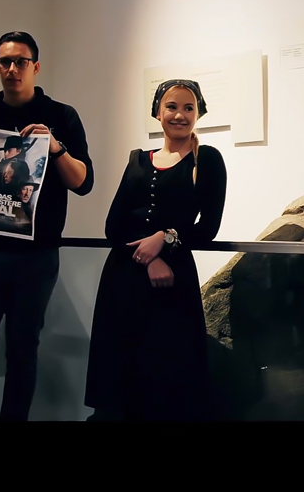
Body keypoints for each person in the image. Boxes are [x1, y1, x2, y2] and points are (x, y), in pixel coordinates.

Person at [0, 31, 94, 421]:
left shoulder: (61, 116)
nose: (13, 69)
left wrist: (55, 147)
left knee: (22, 352)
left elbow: (83, 183)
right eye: (5, 62)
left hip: (36, 256)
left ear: (35, 66)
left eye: (21, 61)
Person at [84, 79, 226, 421]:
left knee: (167, 375)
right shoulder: (138, 159)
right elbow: (114, 226)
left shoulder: (207, 159)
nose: (180, 115)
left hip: (172, 284)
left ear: (198, 113)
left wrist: (166, 238)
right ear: (158, 113)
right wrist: (149, 260)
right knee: (122, 374)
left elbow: (208, 228)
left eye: (188, 108)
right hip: (124, 279)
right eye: (172, 107)